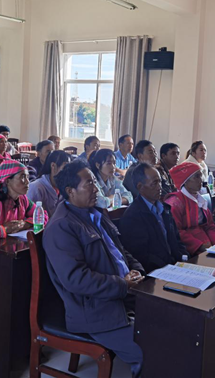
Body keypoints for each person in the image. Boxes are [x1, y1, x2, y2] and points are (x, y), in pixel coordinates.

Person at [43, 160, 145, 377]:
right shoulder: (61, 227)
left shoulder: (95, 213)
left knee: (172, 331)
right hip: (96, 311)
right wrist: (122, 284)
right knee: (155, 351)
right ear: (70, 191)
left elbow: (120, 251)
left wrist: (136, 269)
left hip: (123, 297)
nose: (96, 188)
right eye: (89, 184)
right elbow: (77, 279)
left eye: (94, 182)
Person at [119, 163, 188, 273]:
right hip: (156, 272)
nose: (159, 187)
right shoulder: (132, 216)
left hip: (176, 266)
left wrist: (183, 258)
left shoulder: (164, 209)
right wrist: (168, 267)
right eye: (154, 183)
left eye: (160, 182)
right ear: (140, 187)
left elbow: (177, 240)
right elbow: (141, 255)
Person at [164, 162, 215, 256]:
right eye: (197, 177)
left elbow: (209, 226)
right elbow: (177, 231)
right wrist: (200, 246)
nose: (201, 180)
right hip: (190, 249)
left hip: (207, 245)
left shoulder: (199, 199)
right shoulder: (175, 202)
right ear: (186, 181)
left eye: (201, 175)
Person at [27, 150, 71, 217]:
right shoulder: (36, 188)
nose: (68, 172)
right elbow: (31, 217)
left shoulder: (65, 187)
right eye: (65, 168)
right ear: (53, 166)